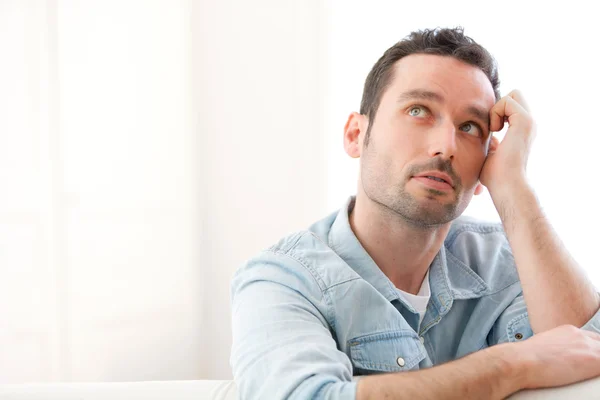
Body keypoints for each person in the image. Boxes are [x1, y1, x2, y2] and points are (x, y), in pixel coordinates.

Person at [229, 27, 600, 399]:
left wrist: (515, 190)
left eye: (469, 126)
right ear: (356, 135)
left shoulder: (504, 262)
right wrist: (512, 364)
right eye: (418, 110)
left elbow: (588, 352)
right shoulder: (283, 279)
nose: (445, 147)